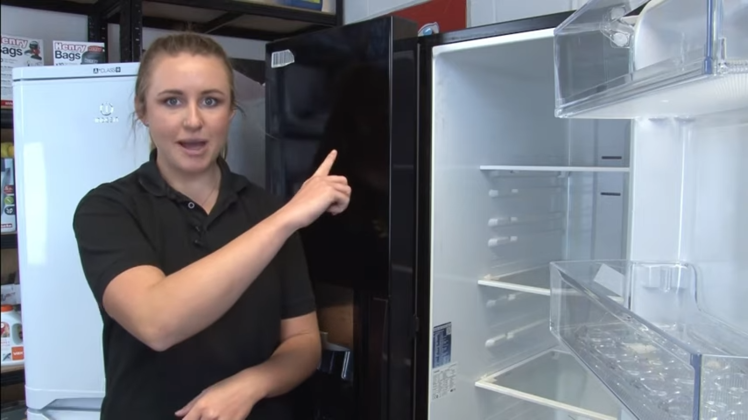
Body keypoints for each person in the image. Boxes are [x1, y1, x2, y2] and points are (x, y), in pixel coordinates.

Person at [72, 32, 351, 420]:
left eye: (211, 101)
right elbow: (157, 321)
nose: (193, 121)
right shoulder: (108, 209)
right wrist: (287, 218)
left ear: (231, 111)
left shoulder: (263, 209)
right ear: (142, 110)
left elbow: (303, 343)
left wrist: (250, 385)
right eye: (172, 101)